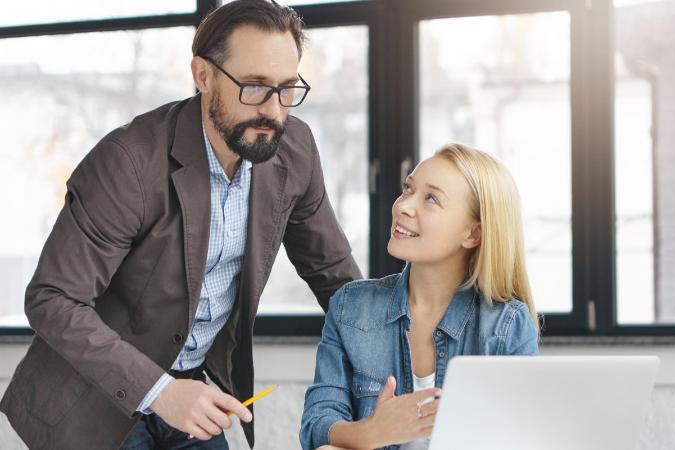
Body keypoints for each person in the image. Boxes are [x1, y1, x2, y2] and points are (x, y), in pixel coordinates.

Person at [0, 1, 362, 449]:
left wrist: (395, 356)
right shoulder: (128, 162)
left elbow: (333, 273)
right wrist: (161, 392)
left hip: (192, 387)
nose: (274, 110)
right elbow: (52, 299)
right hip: (97, 399)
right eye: (254, 87)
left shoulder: (294, 150)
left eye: (287, 88)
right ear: (203, 75)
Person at [300, 143, 541, 450]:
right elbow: (317, 423)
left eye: (431, 199)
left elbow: (522, 438)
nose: (402, 206)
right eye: (408, 189)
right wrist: (373, 432)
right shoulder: (352, 307)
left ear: (472, 233)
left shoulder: (506, 325)